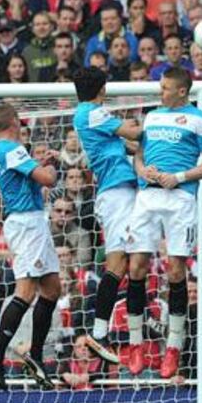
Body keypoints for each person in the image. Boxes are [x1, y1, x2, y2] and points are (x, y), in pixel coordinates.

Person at [127, 68, 202, 378]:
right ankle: (135, 344)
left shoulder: (199, 119)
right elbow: (139, 156)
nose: (161, 92)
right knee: (136, 266)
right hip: (148, 196)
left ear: (182, 91)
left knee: (176, 269)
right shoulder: (152, 117)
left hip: (180, 198)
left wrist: (178, 177)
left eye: (167, 87)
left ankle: (174, 347)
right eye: (161, 87)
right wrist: (142, 170)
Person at [0, 103, 62, 390]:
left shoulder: (4, 150)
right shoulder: (9, 148)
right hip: (26, 223)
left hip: (33, 222)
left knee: (52, 288)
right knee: (27, 291)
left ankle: (36, 354)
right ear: (14, 122)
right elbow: (47, 180)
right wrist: (52, 164)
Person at [70, 68, 142, 365]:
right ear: (101, 89)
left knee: (131, 263)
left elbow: (131, 143)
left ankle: (105, 333)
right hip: (116, 194)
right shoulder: (92, 113)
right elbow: (135, 133)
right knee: (119, 264)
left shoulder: (93, 116)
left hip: (123, 190)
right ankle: (99, 332)